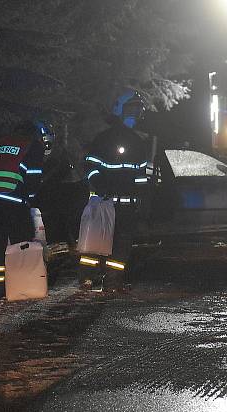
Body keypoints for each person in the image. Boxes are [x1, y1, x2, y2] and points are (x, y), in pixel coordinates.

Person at [78, 89, 153, 291]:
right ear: (119, 109)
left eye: (138, 110)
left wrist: (143, 199)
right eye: (131, 109)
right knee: (94, 244)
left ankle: (112, 281)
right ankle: (88, 279)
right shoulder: (104, 139)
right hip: (104, 202)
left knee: (120, 248)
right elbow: (90, 167)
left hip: (126, 206)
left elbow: (140, 176)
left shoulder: (137, 142)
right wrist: (100, 187)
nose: (135, 115)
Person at [0, 118, 55, 299]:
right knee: (22, 243)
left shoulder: (3, 141)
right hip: (13, 199)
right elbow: (33, 178)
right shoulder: (33, 146)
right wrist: (32, 200)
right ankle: (23, 285)